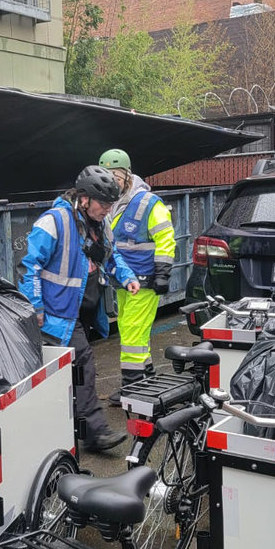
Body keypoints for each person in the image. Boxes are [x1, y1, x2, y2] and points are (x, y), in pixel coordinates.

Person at [18, 165, 140, 453]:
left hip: (79, 312)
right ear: (84, 199)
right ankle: (94, 433)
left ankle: (70, 430)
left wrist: (127, 278)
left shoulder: (99, 225)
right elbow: (29, 267)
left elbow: (112, 258)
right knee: (82, 367)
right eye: (103, 204)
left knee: (69, 374)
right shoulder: (55, 221)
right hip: (55, 316)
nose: (108, 210)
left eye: (111, 204)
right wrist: (36, 309)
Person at [98, 149, 176, 406]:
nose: (111, 182)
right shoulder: (111, 203)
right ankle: (146, 377)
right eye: (106, 177)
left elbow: (165, 238)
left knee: (131, 333)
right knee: (135, 333)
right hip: (123, 279)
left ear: (127, 176)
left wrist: (162, 273)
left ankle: (131, 387)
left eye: (115, 177)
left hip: (144, 280)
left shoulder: (148, 203)